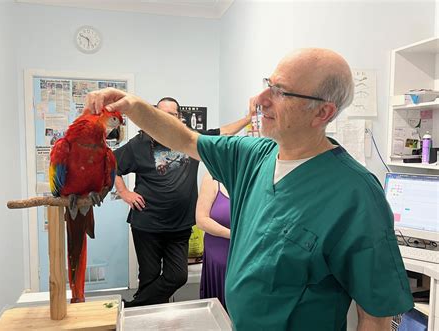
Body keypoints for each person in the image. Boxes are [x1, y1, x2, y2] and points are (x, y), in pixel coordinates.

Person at [85, 48, 414, 330]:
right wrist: (132, 106)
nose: (258, 101)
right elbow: (185, 139)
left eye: (281, 93)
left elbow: (376, 314)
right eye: (267, 85)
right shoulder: (251, 156)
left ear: (323, 112)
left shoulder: (355, 194)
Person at [113, 96, 254, 307]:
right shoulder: (139, 143)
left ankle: (132, 307)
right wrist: (124, 192)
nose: (166, 118)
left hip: (179, 225)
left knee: (177, 276)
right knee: (149, 276)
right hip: (147, 224)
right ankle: (148, 320)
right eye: (162, 114)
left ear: (179, 118)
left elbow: (222, 133)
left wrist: (248, 118)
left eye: (172, 115)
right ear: (154, 115)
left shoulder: (191, 141)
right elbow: (111, 165)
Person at [195, 173, 231, 309]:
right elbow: (201, 220)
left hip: (248, 250)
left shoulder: (254, 176)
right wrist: (234, 235)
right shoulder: (211, 179)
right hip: (219, 251)